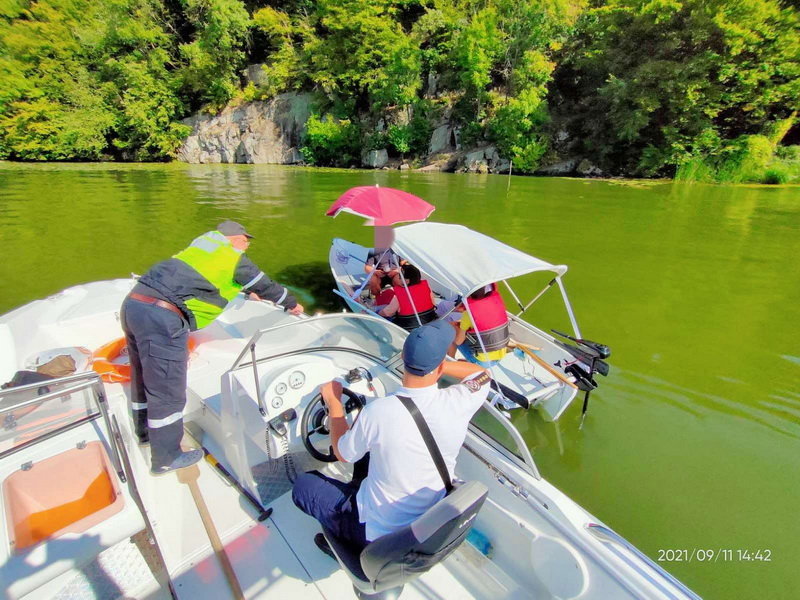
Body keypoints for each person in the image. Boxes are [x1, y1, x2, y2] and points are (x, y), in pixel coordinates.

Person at [292, 320, 492, 554]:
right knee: (367, 454)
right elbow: (482, 373)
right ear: (438, 368)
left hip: (377, 531)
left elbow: (342, 453)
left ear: (404, 360)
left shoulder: (378, 412)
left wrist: (333, 402)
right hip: (427, 518)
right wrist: (438, 366)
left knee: (304, 486)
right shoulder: (460, 400)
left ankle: (348, 543)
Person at [121, 221, 303, 475]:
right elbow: (267, 286)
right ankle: (166, 457)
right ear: (232, 238)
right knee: (167, 390)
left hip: (134, 305)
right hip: (162, 317)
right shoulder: (233, 256)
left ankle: (144, 434)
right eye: (244, 239)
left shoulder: (202, 249)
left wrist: (243, 289)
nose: (247, 244)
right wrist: (292, 304)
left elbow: (205, 280)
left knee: (142, 376)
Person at [449, 283, 509, 368]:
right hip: (500, 356)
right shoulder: (496, 304)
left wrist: (459, 327)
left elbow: (458, 341)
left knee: (450, 329)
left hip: (483, 362)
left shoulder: (469, 313)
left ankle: (451, 362)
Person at [378, 264, 437, 330]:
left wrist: (378, 313)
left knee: (378, 310)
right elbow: (433, 304)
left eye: (400, 275)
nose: (398, 277)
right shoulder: (426, 287)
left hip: (409, 328)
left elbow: (388, 313)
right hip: (429, 322)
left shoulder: (400, 294)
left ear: (407, 280)